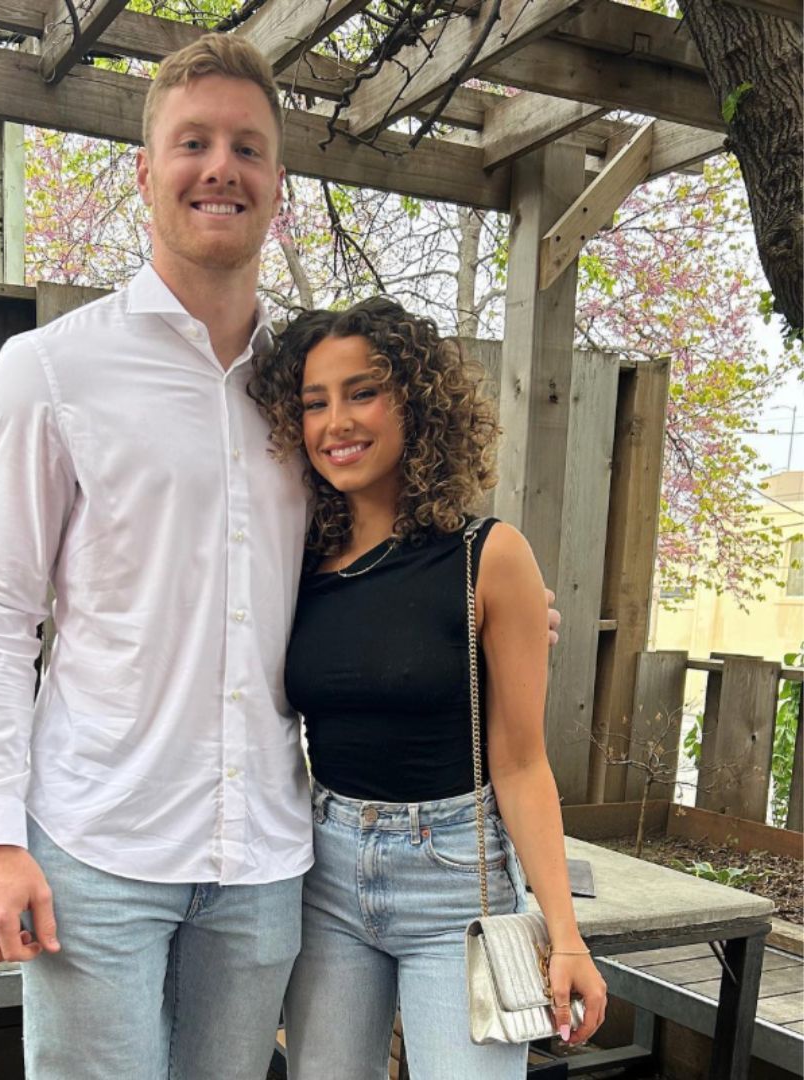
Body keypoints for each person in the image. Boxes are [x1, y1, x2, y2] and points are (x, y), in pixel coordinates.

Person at [0, 34, 560, 1078]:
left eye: (247, 146)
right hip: (100, 844)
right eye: (193, 143)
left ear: (279, 184)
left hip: (268, 858)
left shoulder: (309, 387)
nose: (219, 167)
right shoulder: (52, 372)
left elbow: (375, 554)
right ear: (146, 173)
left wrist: (498, 616)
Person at [251, 298, 606, 1076]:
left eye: (362, 392)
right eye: (314, 403)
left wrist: (565, 933)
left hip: (456, 881)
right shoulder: (295, 565)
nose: (336, 421)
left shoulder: (491, 557)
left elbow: (521, 762)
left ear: (417, 401)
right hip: (327, 869)